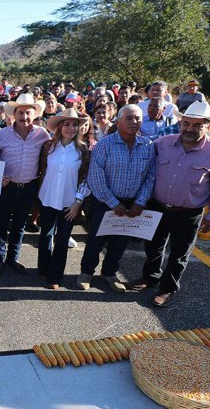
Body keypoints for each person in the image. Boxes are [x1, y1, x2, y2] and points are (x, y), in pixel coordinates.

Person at [128, 102, 210, 307]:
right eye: (186, 124)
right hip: (157, 206)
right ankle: (149, 278)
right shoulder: (163, 143)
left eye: (197, 125)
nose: (190, 129)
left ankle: (167, 289)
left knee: (179, 254)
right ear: (180, 122)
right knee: (153, 247)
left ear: (208, 126)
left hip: (189, 212)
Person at [78, 104, 155, 293]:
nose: (134, 122)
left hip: (132, 204)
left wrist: (140, 202)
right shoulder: (105, 144)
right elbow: (95, 177)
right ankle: (86, 272)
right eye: (129, 118)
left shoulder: (148, 145)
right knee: (96, 239)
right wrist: (114, 203)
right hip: (104, 202)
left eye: (137, 118)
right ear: (118, 121)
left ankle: (110, 273)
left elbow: (151, 177)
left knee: (120, 242)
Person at [0, 94, 49, 277]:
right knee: (1, 223)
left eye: (28, 113)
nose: (24, 117)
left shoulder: (42, 134)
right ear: (14, 115)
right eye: (21, 113)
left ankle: (12, 259)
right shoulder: (2, 135)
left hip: (28, 187)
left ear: (34, 114)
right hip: (6, 187)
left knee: (20, 225)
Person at [37, 110, 91, 289]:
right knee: (45, 235)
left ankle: (55, 276)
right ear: (60, 126)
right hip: (47, 197)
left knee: (62, 239)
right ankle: (43, 269)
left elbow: (86, 179)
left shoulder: (82, 150)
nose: (71, 128)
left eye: (75, 124)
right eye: (67, 124)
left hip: (69, 203)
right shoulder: (48, 147)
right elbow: (41, 170)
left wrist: (78, 202)